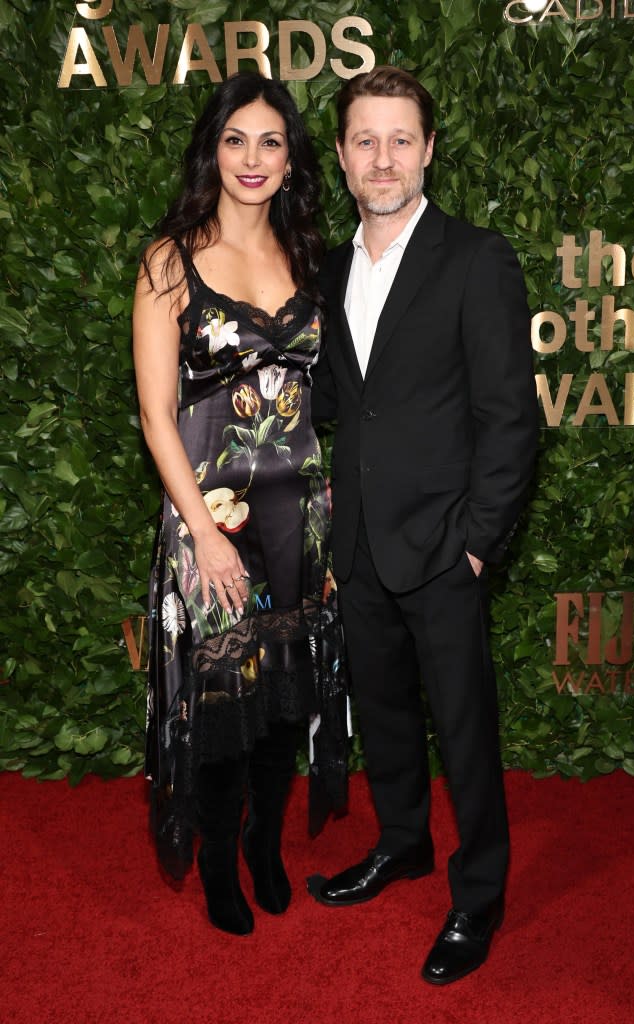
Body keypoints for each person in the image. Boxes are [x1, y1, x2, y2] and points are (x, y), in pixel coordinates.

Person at [310, 67, 538, 984]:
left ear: (429, 148)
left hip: (445, 547)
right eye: (364, 140)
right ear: (338, 157)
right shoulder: (330, 268)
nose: (383, 158)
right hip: (359, 541)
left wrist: (477, 541)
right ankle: (401, 844)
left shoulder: (475, 258)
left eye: (401, 139)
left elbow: (510, 418)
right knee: (389, 723)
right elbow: (339, 401)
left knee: (465, 730)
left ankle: (478, 893)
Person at [133, 72, 347, 937]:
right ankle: (220, 857)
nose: (252, 158)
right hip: (211, 523)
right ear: (210, 150)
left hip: (302, 518)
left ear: (290, 155)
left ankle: (265, 844)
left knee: (284, 697)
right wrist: (200, 535)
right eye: (235, 139)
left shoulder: (307, 255)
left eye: (269, 140)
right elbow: (154, 415)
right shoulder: (169, 258)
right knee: (223, 698)